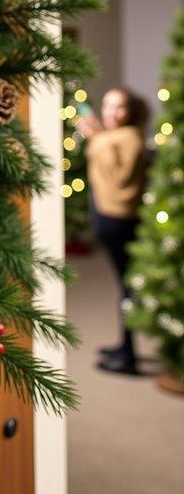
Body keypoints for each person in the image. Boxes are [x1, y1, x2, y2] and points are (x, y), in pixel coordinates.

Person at [78, 88, 148, 374]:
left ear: (130, 111)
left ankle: (129, 355)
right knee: (123, 285)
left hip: (120, 219)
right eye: (107, 106)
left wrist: (96, 140)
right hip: (107, 216)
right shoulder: (111, 137)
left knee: (127, 287)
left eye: (118, 107)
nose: (110, 113)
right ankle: (125, 345)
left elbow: (119, 177)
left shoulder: (130, 138)